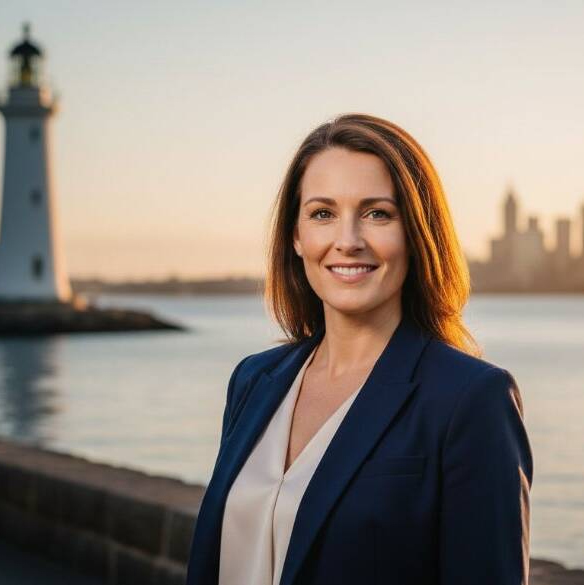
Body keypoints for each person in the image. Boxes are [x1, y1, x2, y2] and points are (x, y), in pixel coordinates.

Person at [186, 113, 533, 585]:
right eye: (322, 214)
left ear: (416, 232)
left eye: (377, 214)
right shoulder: (253, 380)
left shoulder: (470, 399)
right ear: (296, 236)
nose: (347, 242)